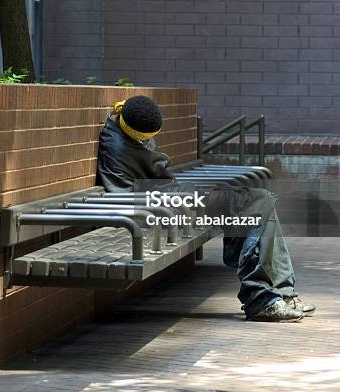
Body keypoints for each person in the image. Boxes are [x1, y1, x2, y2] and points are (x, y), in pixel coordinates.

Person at [96, 95, 316, 322]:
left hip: (176, 198)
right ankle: (261, 299)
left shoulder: (131, 127)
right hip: (167, 208)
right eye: (145, 139)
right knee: (257, 203)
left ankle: (282, 293)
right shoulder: (116, 147)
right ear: (134, 132)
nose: (149, 142)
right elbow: (126, 198)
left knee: (261, 202)